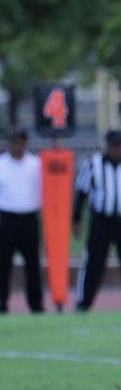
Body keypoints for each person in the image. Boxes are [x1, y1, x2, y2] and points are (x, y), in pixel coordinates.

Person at [73, 130, 121, 311]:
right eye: (114, 146)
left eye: (119, 145)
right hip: (101, 221)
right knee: (93, 262)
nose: (117, 149)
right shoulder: (93, 164)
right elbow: (82, 193)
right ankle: (84, 302)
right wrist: (76, 220)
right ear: (107, 145)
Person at [0, 127, 43, 313]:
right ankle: (2, 302)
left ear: (26, 144)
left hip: (30, 220)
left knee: (33, 265)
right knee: (3, 265)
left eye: (20, 142)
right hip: (6, 220)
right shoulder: (1, 164)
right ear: (8, 144)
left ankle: (36, 304)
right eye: (14, 142)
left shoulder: (37, 164)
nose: (17, 146)